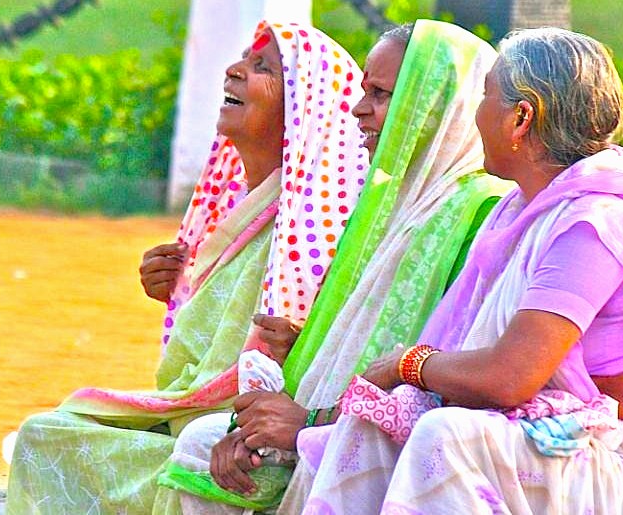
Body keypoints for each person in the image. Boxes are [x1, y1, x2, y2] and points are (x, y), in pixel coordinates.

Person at [5, 21, 369, 514]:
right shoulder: (244, 205)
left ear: (306, 108)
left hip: (235, 432)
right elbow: (214, 325)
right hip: (191, 411)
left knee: (47, 439)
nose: (235, 71)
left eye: (262, 68)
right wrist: (177, 288)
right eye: (244, 59)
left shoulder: (317, 223)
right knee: (50, 432)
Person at [301, 27, 623, 514]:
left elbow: (509, 377)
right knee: (375, 421)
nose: (476, 116)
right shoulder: (517, 213)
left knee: (447, 434)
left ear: (520, 118)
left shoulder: (594, 223)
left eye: (485, 97)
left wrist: (409, 364)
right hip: (539, 432)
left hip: (608, 457)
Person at [161, 20, 512, 514]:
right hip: (340, 418)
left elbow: (454, 366)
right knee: (208, 442)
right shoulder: (388, 205)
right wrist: (298, 355)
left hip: (400, 436)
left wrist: (310, 422)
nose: (357, 108)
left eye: (383, 94)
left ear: (434, 106)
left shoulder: (482, 213)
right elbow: (362, 338)